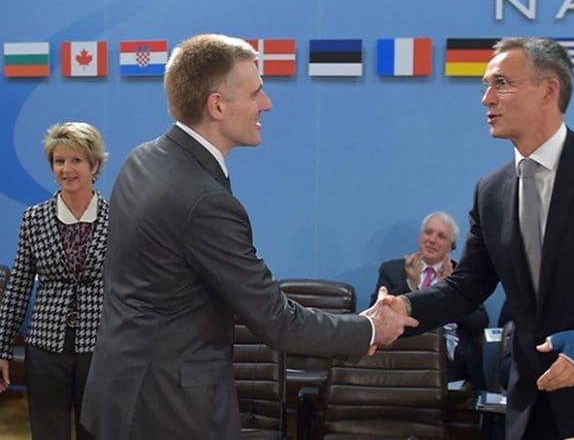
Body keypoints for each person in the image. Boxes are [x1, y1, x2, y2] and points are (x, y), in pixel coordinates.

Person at [80, 34, 416, 440]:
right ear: (217, 105)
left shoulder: (143, 159)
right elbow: (276, 321)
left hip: (117, 395)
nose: (267, 103)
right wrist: (369, 328)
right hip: (172, 412)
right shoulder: (202, 199)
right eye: (256, 92)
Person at [377, 37, 574, 439]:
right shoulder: (491, 190)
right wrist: (403, 306)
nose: (486, 99)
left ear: (549, 90)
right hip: (529, 402)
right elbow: (467, 285)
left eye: (502, 83)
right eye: (485, 86)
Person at [0, 122, 109, 440]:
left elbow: (130, 288)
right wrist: (2, 349)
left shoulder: (118, 218)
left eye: (76, 160)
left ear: (94, 166)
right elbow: (19, 286)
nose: (67, 169)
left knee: (99, 431)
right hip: (46, 349)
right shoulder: (34, 219)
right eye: (59, 161)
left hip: (100, 348)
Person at [372, 211, 489, 389]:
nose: (432, 240)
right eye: (428, 232)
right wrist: (410, 286)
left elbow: (479, 322)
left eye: (441, 236)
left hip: (450, 360)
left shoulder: (462, 274)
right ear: (420, 237)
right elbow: (375, 316)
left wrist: (452, 293)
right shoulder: (393, 270)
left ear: (452, 246)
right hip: (401, 354)